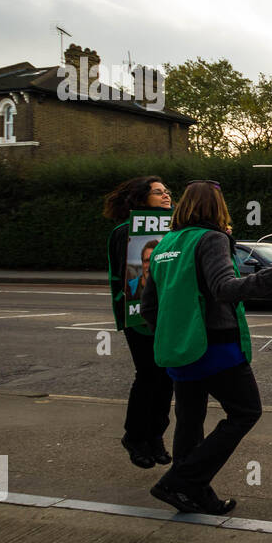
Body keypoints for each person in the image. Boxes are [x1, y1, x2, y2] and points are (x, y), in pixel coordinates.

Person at [141, 180, 272, 515]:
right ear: (216, 207)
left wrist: (170, 332)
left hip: (179, 346)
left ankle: (191, 494)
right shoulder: (210, 239)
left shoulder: (168, 242)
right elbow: (225, 288)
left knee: (190, 418)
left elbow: (148, 305)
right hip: (214, 345)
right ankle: (180, 480)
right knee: (246, 411)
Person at [104, 176, 174, 469]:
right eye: (158, 192)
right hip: (140, 317)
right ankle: (135, 437)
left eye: (167, 191)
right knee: (148, 376)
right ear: (141, 199)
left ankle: (156, 437)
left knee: (167, 378)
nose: (166, 195)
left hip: (168, 314)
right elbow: (128, 275)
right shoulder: (125, 232)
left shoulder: (175, 228)